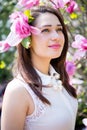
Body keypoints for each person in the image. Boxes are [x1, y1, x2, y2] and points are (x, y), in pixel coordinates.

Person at [1, 1, 78, 130]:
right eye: (45, 30)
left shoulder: (59, 80)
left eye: (59, 29)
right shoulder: (18, 90)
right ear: (28, 39)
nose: (56, 36)